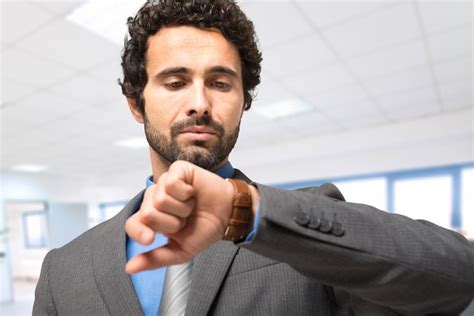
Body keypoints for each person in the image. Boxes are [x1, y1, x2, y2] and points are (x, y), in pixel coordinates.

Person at [33, 0, 474, 315]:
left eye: (221, 83)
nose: (200, 103)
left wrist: (245, 212)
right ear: (136, 103)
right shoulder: (65, 267)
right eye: (174, 82)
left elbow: (458, 279)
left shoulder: (300, 232)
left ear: (243, 101)